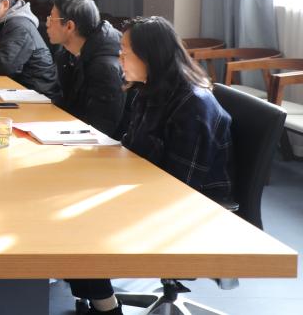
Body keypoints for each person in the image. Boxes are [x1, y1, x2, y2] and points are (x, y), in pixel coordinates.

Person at [67, 16, 234, 315]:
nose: (119, 57)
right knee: (70, 200)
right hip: (151, 189)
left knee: (78, 222)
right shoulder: (150, 89)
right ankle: (98, 300)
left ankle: (105, 307)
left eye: (125, 51)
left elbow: (180, 187)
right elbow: (134, 149)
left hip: (188, 207)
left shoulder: (192, 105)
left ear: (150, 56)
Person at [45, 0, 126, 138]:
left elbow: (101, 129)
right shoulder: (68, 54)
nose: (47, 23)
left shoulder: (105, 68)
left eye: (51, 18)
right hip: (72, 134)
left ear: (69, 26)